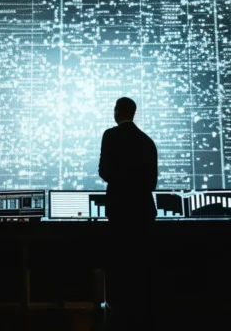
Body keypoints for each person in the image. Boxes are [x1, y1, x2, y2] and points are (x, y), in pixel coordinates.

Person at [97, 97, 158, 329]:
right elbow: (152, 183)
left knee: (121, 264)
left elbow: (104, 172)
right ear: (134, 113)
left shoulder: (110, 136)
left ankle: (120, 315)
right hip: (143, 210)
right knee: (141, 264)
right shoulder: (147, 142)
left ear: (116, 112)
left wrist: (122, 183)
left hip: (120, 209)